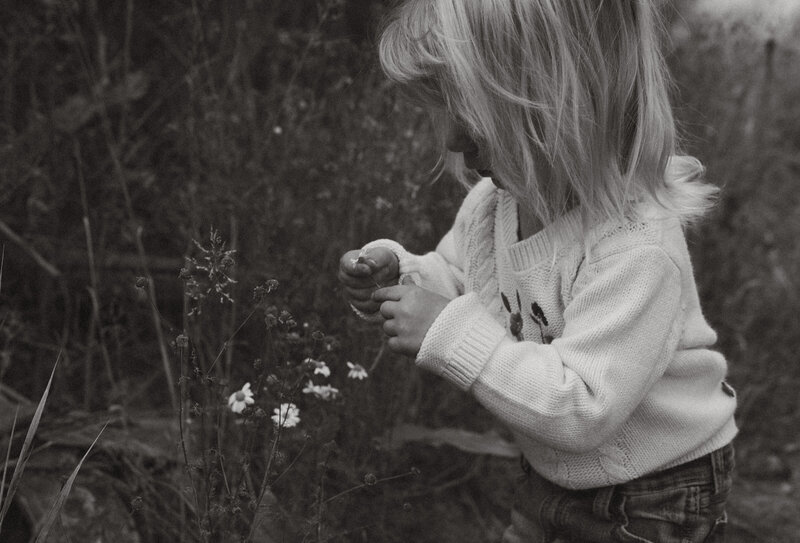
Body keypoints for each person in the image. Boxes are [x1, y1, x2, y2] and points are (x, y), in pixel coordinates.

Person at [337, 1, 737, 541]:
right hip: (550, 469)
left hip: (654, 491)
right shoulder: (492, 206)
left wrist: (447, 331)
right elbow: (461, 284)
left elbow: (583, 407)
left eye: (468, 109)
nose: (452, 139)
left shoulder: (635, 246)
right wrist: (403, 281)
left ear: (556, 102)